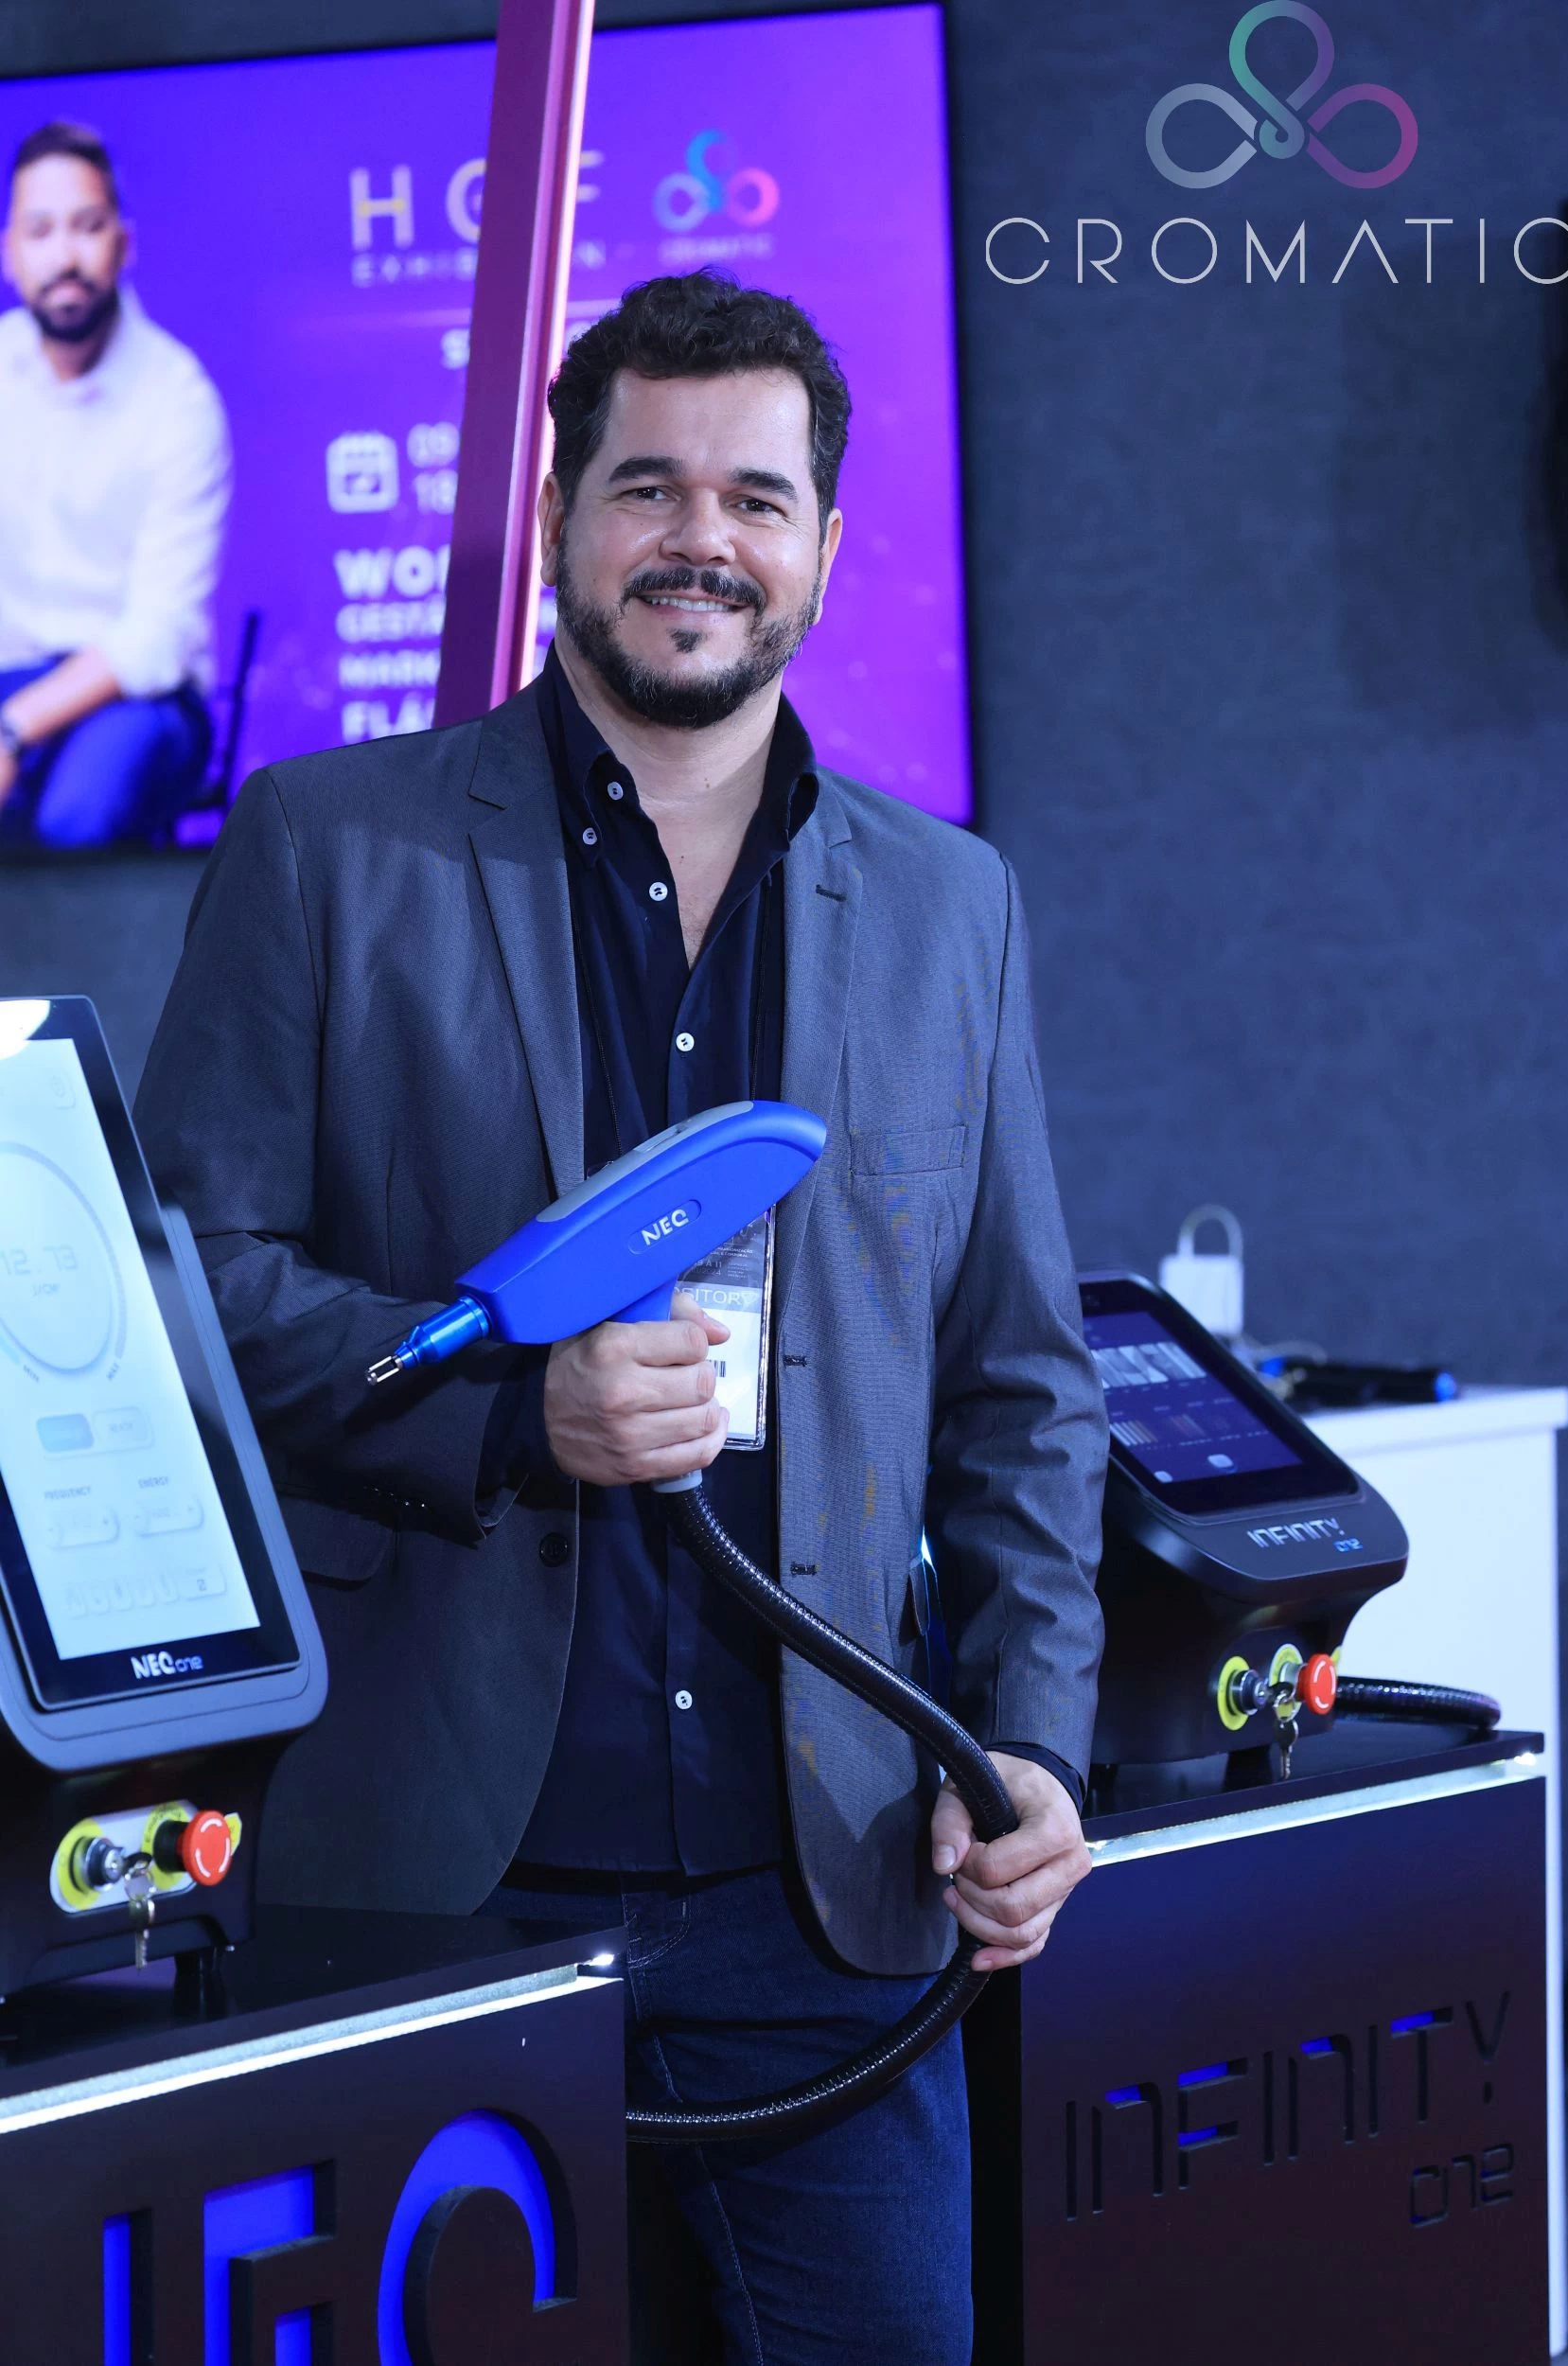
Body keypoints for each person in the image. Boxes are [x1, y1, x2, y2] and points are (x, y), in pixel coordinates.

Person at [134, 272, 1106, 2365]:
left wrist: (1026, 1740)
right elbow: (191, 1291)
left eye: (755, 498)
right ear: (557, 517)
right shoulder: (330, 846)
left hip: (828, 1885)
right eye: (647, 486)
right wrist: (506, 1414)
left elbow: (1020, 1385)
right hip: (425, 1884)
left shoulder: (950, 906)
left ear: (823, 545)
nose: (700, 539)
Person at [0, 121, 231, 849]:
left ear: (124, 243)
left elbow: (157, 635)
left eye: (87, 226)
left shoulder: (177, 397)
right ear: (9, 252)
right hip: (9, 677)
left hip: (138, 697)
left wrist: (12, 730)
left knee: (75, 820)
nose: (64, 255)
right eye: (40, 231)